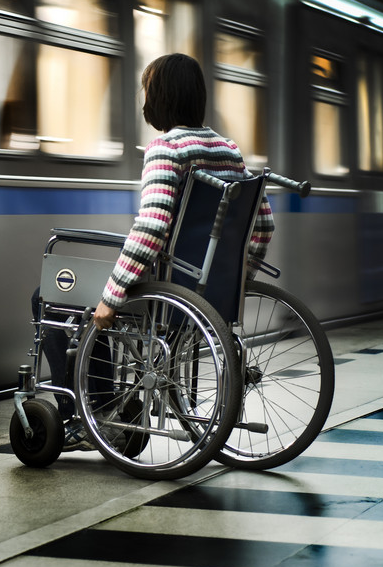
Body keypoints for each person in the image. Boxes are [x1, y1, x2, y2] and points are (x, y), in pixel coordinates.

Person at [40, 52, 274, 450]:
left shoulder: (166, 149)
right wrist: (234, 281)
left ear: (159, 97)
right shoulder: (229, 151)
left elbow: (152, 226)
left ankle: (89, 413)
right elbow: (264, 225)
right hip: (206, 293)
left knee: (53, 298)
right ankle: (106, 407)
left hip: (165, 292)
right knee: (89, 295)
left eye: (147, 90)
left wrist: (111, 297)